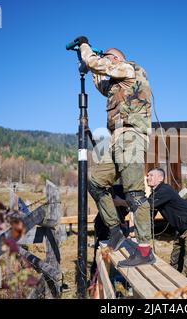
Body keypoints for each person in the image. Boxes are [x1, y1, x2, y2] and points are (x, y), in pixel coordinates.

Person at [74, 36, 154, 267]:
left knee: (134, 194)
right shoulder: (117, 85)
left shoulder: (128, 69)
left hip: (131, 137)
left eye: (108, 59)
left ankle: (145, 250)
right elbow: (100, 81)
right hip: (116, 140)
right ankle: (115, 229)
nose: (105, 64)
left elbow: (99, 65)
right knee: (96, 184)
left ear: (117, 59)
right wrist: (90, 65)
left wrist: (85, 49)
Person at [146, 168, 187, 284]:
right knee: (175, 261)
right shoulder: (155, 193)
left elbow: (145, 206)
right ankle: (174, 289)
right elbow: (148, 214)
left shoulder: (164, 190)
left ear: (160, 178)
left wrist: (123, 202)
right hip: (182, 229)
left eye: (151, 175)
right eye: (147, 175)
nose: (148, 177)